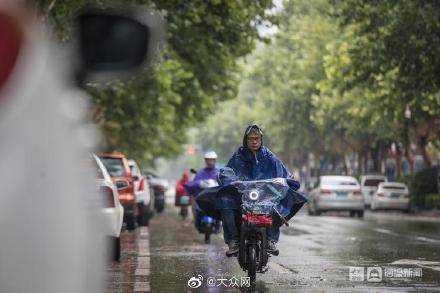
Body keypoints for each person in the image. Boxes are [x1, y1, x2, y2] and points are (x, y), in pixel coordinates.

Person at [219, 124, 302, 256]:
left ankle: (270, 240)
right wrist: (230, 181)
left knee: (278, 204)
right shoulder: (238, 156)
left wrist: (284, 181)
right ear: (246, 140)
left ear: (261, 139)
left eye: (257, 138)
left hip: (266, 195)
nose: (254, 141)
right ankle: (233, 241)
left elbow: (285, 174)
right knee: (224, 201)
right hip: (243, 195)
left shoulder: (269, 156)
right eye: (251, 138)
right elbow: (227, 171)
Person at [185, 151, 220, 231]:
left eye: (212, 160)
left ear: (215, 161)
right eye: (208, 160)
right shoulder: (200, 173)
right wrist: (198, 183)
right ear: (205, 161)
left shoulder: (219, 172)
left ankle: (222, 223)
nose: (210, 162)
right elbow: (194, 183)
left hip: (215, 197)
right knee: (193, 198)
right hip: (202, 196)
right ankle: (194, 218)